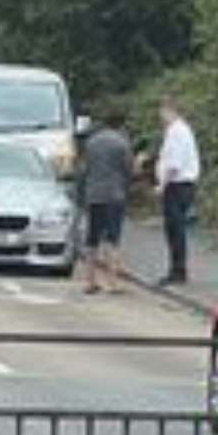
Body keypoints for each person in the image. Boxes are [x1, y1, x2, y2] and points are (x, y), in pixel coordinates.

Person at [79, 108, 134, 295]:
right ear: (121, 125)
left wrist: (82, 194)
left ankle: (89, 281)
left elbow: (84, 169)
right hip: (114, 195)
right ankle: (113, 283)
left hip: (93, 195)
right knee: (112, 239)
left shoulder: (91, 142)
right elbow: (128, 170)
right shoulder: (122, 143)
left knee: (92, 239)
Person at [154, 96, 201, 286]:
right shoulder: (182, 129)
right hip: (182, 185)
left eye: (162, 110)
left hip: (177, 186)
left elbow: (174, 163)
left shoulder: (176, 131)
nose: (160, 115)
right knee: (175, 229)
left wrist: (161, 185)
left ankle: (178, 271)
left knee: (175, 229)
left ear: (169, 110)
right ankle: (177, 269)